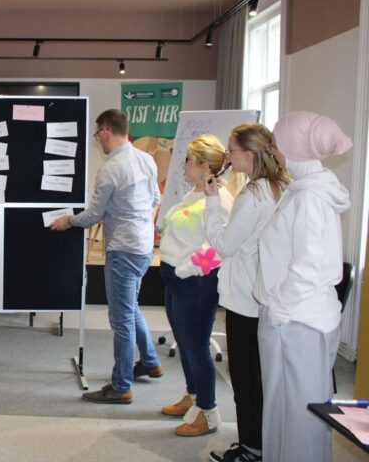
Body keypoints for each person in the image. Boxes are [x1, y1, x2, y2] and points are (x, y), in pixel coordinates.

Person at [255, 111, 352, 462]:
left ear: (294, 147)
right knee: (286, 410)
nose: (275, 151)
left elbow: (310, 266)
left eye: (277, 144)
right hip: (295, 319)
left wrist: (278, 310)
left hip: (297, 322)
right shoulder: (304, 191)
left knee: (300, 418)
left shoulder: (310, 198)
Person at [50, 109, 163, 404]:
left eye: (97, 133)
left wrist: (68, 221)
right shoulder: (146, 159)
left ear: (105, 131)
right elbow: (155, 199)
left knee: (121, 319)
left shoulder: (111, 168)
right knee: (131, 308)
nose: (98, 139)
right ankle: (150, 361)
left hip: (123, 249)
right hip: (143, 247)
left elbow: (93, 215)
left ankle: (121, 386)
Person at [204, 124, 290, 462]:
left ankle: (252, 449)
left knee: (245, 380)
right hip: (264, 295)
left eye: (232, 149)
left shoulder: (253, 194)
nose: (228, 155)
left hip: (244, 299)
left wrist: (212, 202)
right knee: (258, 376)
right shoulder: (279, 186)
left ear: (249, 155)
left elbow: (224, 244)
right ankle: (261, 443)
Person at [159, 134, 234, 436]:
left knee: (196, 347)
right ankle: (194, 396)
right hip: (177, 281)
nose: (185, 163)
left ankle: (208, 411)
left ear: (205, 165)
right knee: (186, 345)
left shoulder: (220, 199)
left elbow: (216, 249)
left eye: (189, 159)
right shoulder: (195, 192)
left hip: (195, 284)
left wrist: (184, 271)